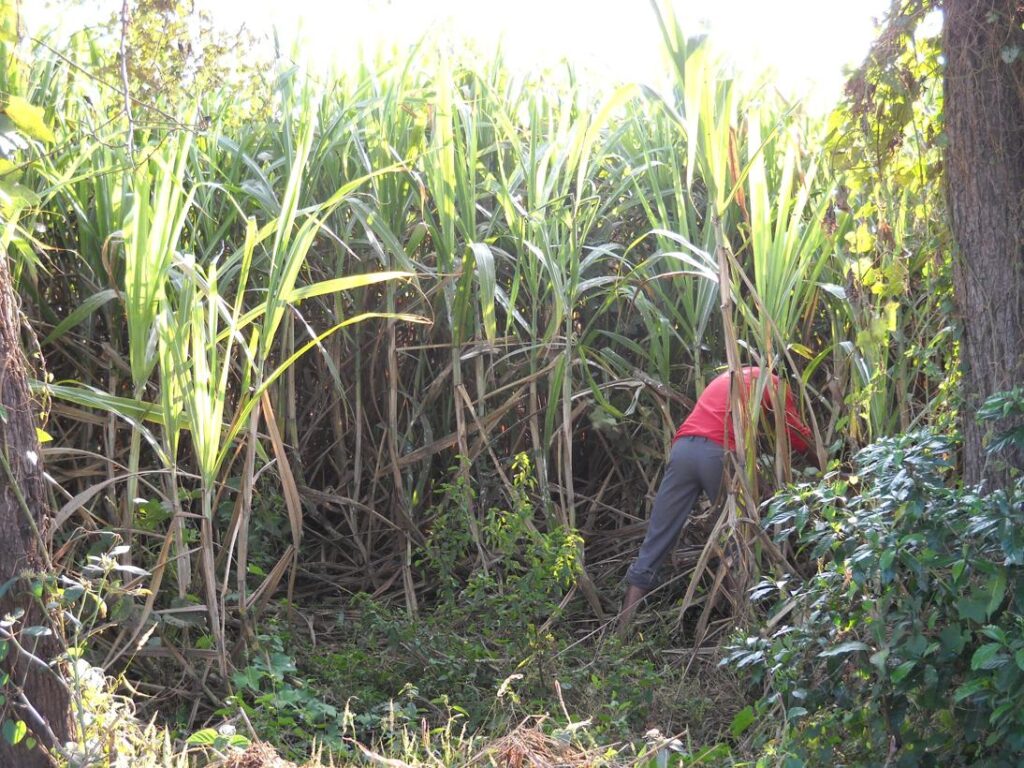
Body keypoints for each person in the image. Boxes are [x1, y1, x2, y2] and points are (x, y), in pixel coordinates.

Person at [618, 366, 813, 630]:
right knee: (740, 539)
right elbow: (797, 434)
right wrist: (825, 464)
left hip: (683, 449)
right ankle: (746, 628)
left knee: (657, 539)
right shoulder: (776, 383)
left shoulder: (729, 376)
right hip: (719, 454)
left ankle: (621, 632)